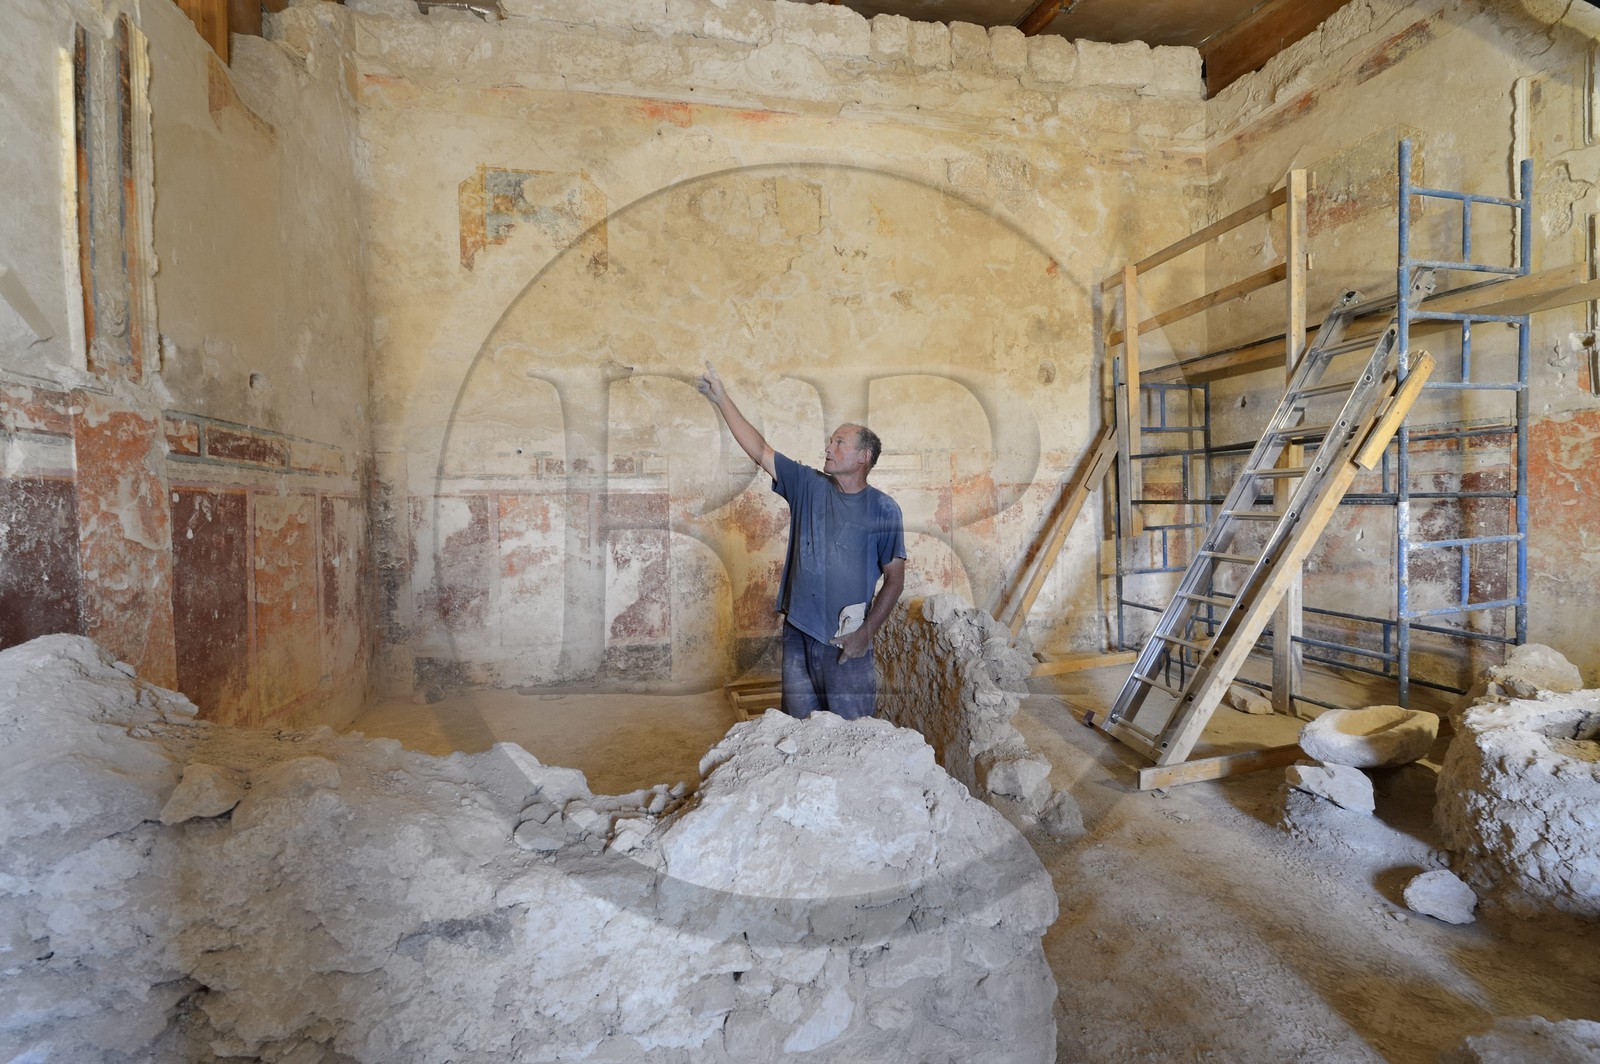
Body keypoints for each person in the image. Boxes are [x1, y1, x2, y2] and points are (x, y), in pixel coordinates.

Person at [697, 362, 906, 720]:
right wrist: (722, 399)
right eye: (831, 441)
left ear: (862, 457)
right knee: (799, 728)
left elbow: (895, 579)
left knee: (851, 730)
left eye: (839, 442)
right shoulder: (808, 485)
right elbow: (760, 450)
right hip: (799, 630)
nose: (828, 447)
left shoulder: (884, 510)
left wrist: (864, 634)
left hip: (845, 637)